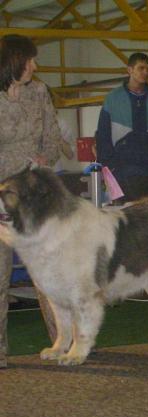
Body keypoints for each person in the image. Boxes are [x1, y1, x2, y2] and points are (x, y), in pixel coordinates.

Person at [0, 34, 62, 368]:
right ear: (13, 60)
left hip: (34, 193)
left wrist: (43, 158)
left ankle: (64, 342)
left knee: (49, 275)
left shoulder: (39, 92)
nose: (35, 66)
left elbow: (53, 137)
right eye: (30, 60)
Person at [96, 52, 148, 202]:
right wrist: (109, 167)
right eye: (141, 68)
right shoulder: (112, 99)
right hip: (121, 172)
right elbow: (102, 136)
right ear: (129, 70)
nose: (145, 72)